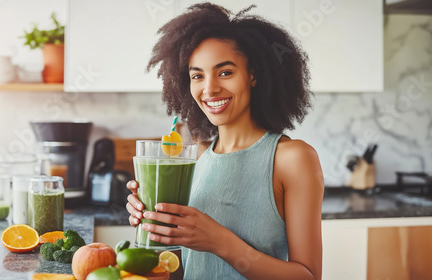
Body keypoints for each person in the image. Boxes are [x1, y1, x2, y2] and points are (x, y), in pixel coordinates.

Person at [126, 3, 324, 280]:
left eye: (225, 72)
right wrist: (156, 225)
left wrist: (219, 241)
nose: (209, 89)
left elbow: (309, 276)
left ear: (253, 75)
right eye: (197, 76)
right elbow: (188, 267)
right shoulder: (195, 158)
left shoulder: (292, 158)